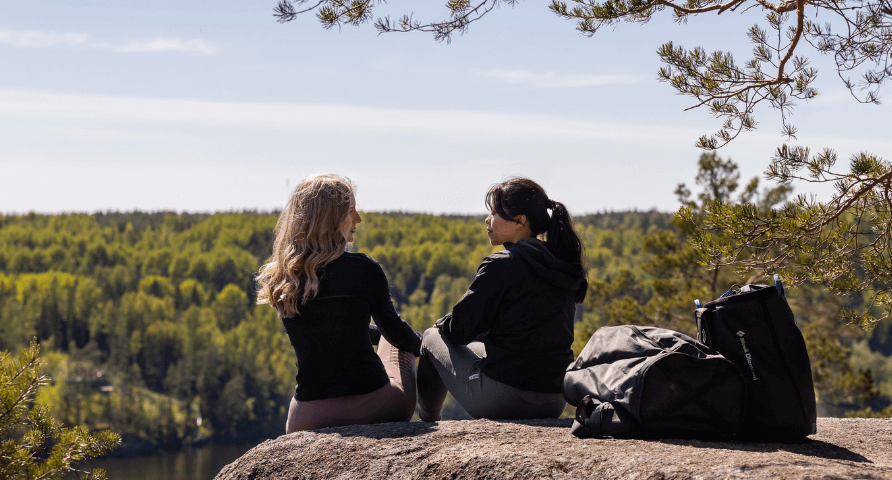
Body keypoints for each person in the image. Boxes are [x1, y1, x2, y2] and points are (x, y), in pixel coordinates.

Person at [256, 174, 421, 433]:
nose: (358, 219)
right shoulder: (364, 269)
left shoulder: (283, 276)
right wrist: (426, 345)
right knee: (398, 345)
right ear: (332, 219)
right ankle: (433, 414)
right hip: (376, 408)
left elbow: (331, 331)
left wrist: (371, 336)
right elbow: (398, 335)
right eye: (351, 211)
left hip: (306, 419)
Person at [416, 177, 588, 421]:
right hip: (554, 399)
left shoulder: (501, 264)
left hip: (504, 400)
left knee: (432, 337)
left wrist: (441, 324)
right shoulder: (560, 264)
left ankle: (427, 421)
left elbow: (457, 331)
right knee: (477, 348)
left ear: (520, 221)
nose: (488, 220)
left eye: (494, 213)